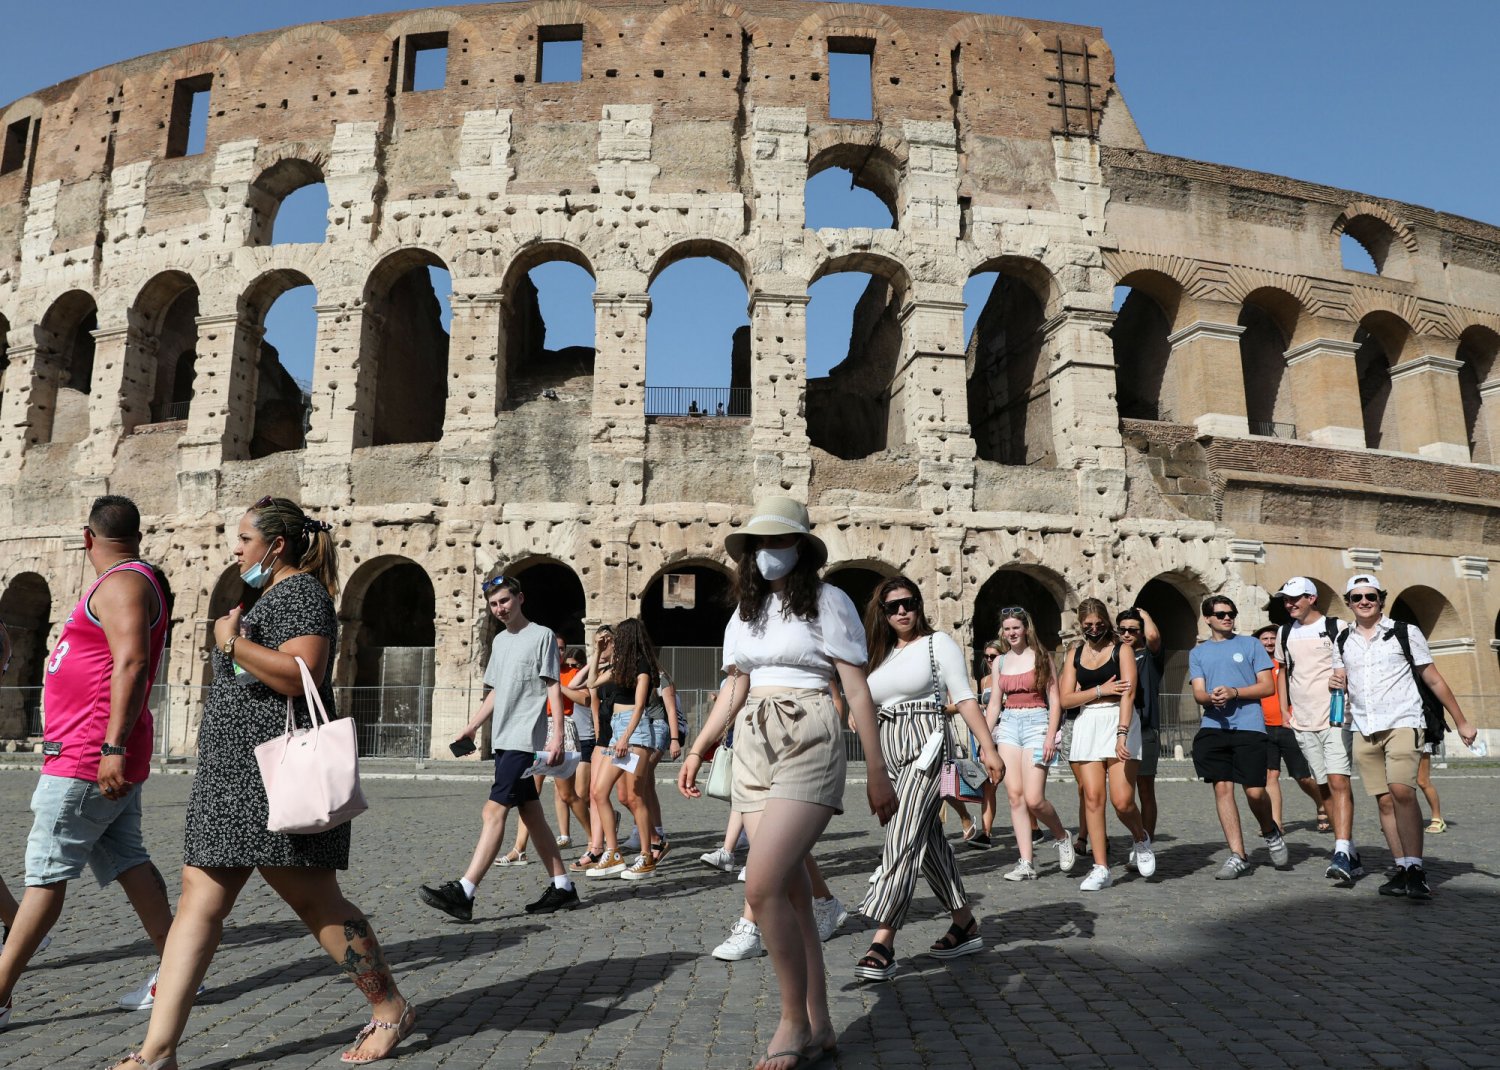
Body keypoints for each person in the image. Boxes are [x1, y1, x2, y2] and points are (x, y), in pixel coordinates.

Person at [111, 496, 414, 1068]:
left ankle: (390, 1008)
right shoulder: (266, 596)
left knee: (315, 901)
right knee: (198, 904)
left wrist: (232, 642)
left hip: (276, 775)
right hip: (229, 778)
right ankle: (157, 1051)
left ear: (275, 545)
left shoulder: (303, 593)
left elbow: (303, 674)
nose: (236, 547)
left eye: (245, 538)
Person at [679, 496, 897, 1070]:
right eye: (760, 544)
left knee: (762, 883)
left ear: (801, 546)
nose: (769, 553)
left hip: (809, 733)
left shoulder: (831, 601)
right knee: (795, 896)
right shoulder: (744, 613)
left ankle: (792, 1021)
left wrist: (875, 767)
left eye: (780, 542)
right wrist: (700, 747)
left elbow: (855, 690)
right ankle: (821, 1023)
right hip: (751, 741)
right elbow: (733, 688)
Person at [1, 497, 174, 1034]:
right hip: (94, 753)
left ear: (86, 537)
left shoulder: (122, 584)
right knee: (128, 860)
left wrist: (111, 747)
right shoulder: (130, 579)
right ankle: (178, 971)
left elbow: (132, 660)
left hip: (86, 756)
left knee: (45, 876)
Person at [854, 578, 1001, 982]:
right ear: (881, 613)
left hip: (927, 743)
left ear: (919, 605)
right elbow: (861, 699)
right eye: (892, 606)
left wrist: (987, 748)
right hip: (888, 747)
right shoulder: (876, 654)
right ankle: (964, 922)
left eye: (909, 603)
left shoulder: (939, 644)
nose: (901, 611)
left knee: (901, 836)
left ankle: (883, 939)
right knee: (927, 840)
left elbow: (966, 698)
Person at [419, 573, 578, 919]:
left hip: (525, 740)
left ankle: (465, 890)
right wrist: (472, 727)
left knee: (493, 811)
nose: (499, 609)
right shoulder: (500, 642)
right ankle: (563, 886)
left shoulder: (543, 637)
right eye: (493, 604)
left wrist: (557, 737)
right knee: (532, 814)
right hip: (504, 739)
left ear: (520, 598)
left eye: (504, 601)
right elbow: (496, 691)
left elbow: (553, 685)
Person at [1335, 575, 1478, 899]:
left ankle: (1416, 867)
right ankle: (1401, 867)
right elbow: (1341, 679)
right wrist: (1336, 684)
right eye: (1356, 597)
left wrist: (1462, 721)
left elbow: (1434, 678)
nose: (1364, 602)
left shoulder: (1404, 632)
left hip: (1403, 721)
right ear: (1348, 602)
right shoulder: (1342, 639)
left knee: (1402, 790)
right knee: (1383, 799)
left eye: (1370, 596)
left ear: (1381, 599)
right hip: (1363, 728)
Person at [1056, 598, 1152, 890]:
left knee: (1122, 800)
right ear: (1081, 625)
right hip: (1088, 722)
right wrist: (1100, 690)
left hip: (1119, 721)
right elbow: (1065, 699)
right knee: (1093, 798)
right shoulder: (1074, 653)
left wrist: (1122, 732)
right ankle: (1101, 867)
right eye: (1088, 625)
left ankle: (1141, 839)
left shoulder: (1121, 649)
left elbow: (1128, 693)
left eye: (1099, 624)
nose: (1094, 629)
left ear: (1106, 623)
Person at [1189, 595, 1287, 880]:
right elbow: (1198, 692)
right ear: (1207, 618)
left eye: (1231, 613)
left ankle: (1270, 830)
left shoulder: (1250, 644)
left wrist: (1234, 692)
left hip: (1249, 726)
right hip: (1214, 726)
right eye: (1221, 614)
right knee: (1222, 789)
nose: (1227, 618)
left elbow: (1267, 686)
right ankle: (1238, 855)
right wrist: (1211, 698)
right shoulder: (1198, 653)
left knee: (1255, 791)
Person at [1273, 577, 1359, 883]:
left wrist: (1344, 681)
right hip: (1303, 720)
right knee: (1323, 787)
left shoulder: (1338, 627)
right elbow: (1282, 672)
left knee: (1338, 782)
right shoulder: (1284, 632)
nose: (1289, 604)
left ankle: (1341, 852)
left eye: (1295, 598)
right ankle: (1349, 848)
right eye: (1285, 599)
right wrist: (1285, 710)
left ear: (1312, 597)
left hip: (1335, 716)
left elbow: (1356, 665)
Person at [987, 608, 1073, 881]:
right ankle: (1025, 861)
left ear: (1026, 629)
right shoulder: (999, 662)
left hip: (1037, 722)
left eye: (1016, 628)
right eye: (1007, 629)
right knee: (1015, 796)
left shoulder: (1042, 657)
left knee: (1034, 798)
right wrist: (985, 738)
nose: (1011, 633)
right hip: (1009, 725)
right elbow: (993, 703)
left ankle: (1061, 835)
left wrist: (1051, 735)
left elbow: (1055, 700)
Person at [583, 618, 663, 880]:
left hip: (635, 732)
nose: (613, 641)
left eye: (617, 637)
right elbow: (592, 682)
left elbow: (640, 706)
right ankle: (614, 852)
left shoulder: (642, 665)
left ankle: (646, 855)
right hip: (618, 731)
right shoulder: (619, 665)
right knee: (599, 792)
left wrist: (626, 738)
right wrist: (596, 651)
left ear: (628, 638)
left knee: (634, 796)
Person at [1255, 624, 1325, 832]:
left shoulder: (1288, 664)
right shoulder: (1254, 666)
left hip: (1290, 725)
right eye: (1264, 639)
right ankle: (1276, 822)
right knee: (1271, 775)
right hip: (1264, 727)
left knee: (1302, 776)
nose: (1268, 642)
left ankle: (1322, 801)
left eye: (1272, 638)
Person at [1115, 607, 1164, 841]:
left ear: (1141, 632)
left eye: (1133, 630)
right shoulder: (1115, 657)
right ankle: (1135, 835)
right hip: (1117, 730)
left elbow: (1154, 637)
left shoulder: (1149, 656)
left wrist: (1143, 614)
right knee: (1122, 793)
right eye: (1122, 630)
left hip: (1144, 729)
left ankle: (1146, 840)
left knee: (1145, 790)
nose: (1127, 634)